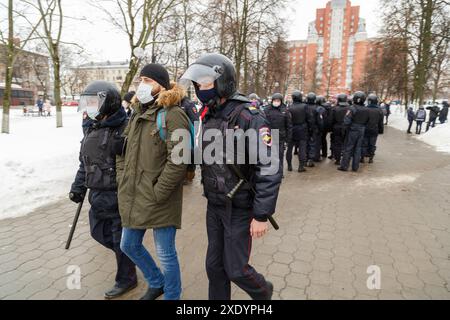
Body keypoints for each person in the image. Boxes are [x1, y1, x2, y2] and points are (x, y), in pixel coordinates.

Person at [180, 53, 282, 300]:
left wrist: (261, 214)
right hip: (215, 204)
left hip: (240, 206)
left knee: (236, 269)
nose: (199, 88)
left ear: (222, 81)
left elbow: (269, 166)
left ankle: (262, 290)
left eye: (205, 82)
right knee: (214, 267)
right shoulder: (209, 113)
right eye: (198, 83)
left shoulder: (249, 116)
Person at [117, 64, 190, 300]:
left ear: (161, 84)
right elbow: (123, 152)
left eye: (148, 80)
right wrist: (122, 179)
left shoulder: (173, 114)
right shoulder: (137, 113)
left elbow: (179, 159)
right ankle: (156, 282)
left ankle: (172, 295)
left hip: (160, 196)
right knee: (128, 245)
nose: (142, 85)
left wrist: (159, 191)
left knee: (166, 253)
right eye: (141, 79)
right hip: (134, 193)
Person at [69, 80, 137, 299]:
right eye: (86, 103)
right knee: (98, 233)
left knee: (120, 242)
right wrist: (78, 186)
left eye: (93, 103)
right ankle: (132, 257)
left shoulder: (126, 129)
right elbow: (85, 162)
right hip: (96, 195)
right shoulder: (91, 127)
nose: (89, 108)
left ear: (108, 103)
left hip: (118, 196)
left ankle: (126, 278)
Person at [338, 92, 369, 172]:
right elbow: (367, 121)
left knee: (348, 148)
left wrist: (344, 130)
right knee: (358, 148)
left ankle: (344, 166)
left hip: (353, 130)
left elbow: (346, 121)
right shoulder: (366, 109)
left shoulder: (352, 108)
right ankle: (355, 167)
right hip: (361, 129)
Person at [263, 93, 292, 174]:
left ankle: (280, 172)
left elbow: (289, 125)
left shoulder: (285, 110)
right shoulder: (266, 109)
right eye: (275, 100)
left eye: (278, 101)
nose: (276, 102)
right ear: (272, 101)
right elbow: (262, 123)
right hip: (269, 136)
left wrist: (288, 138)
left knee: (280, 155)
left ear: (281, 101)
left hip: (280, 136)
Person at [287, 91, 309, 172]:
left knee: (290, 148)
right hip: (302, 128)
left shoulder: (290, 107)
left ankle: (289, 166)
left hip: (292, 128)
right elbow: (309, 118)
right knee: (302, 148)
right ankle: (301, 166)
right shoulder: (304, 106)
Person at [361, 94, 384, 164]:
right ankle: (371, 158)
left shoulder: (365, 109)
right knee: (372, 144)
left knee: (364, 143)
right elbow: (381, 122)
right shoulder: (379, 110)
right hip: (374, 130)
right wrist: (381, 130)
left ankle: (362, 158)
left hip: (365, 129)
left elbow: (362, 120)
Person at [330, 94, 350, 166]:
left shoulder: (335, 108)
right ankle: (345, 160)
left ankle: (337, 160)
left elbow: (331, 120)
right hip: (346, 128)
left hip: (337, 128)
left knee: (337, 144)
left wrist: (330, 128)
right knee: (346, 144)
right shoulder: (350, 108)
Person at [305, 92, 321, 167]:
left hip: (305, 128)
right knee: (312, 144)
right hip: (314, 128)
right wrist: (320, 129)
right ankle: (310, 159)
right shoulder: (317, 108)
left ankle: (305, 158)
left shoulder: (304, 107)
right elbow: (320, 121)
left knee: (305, 144)